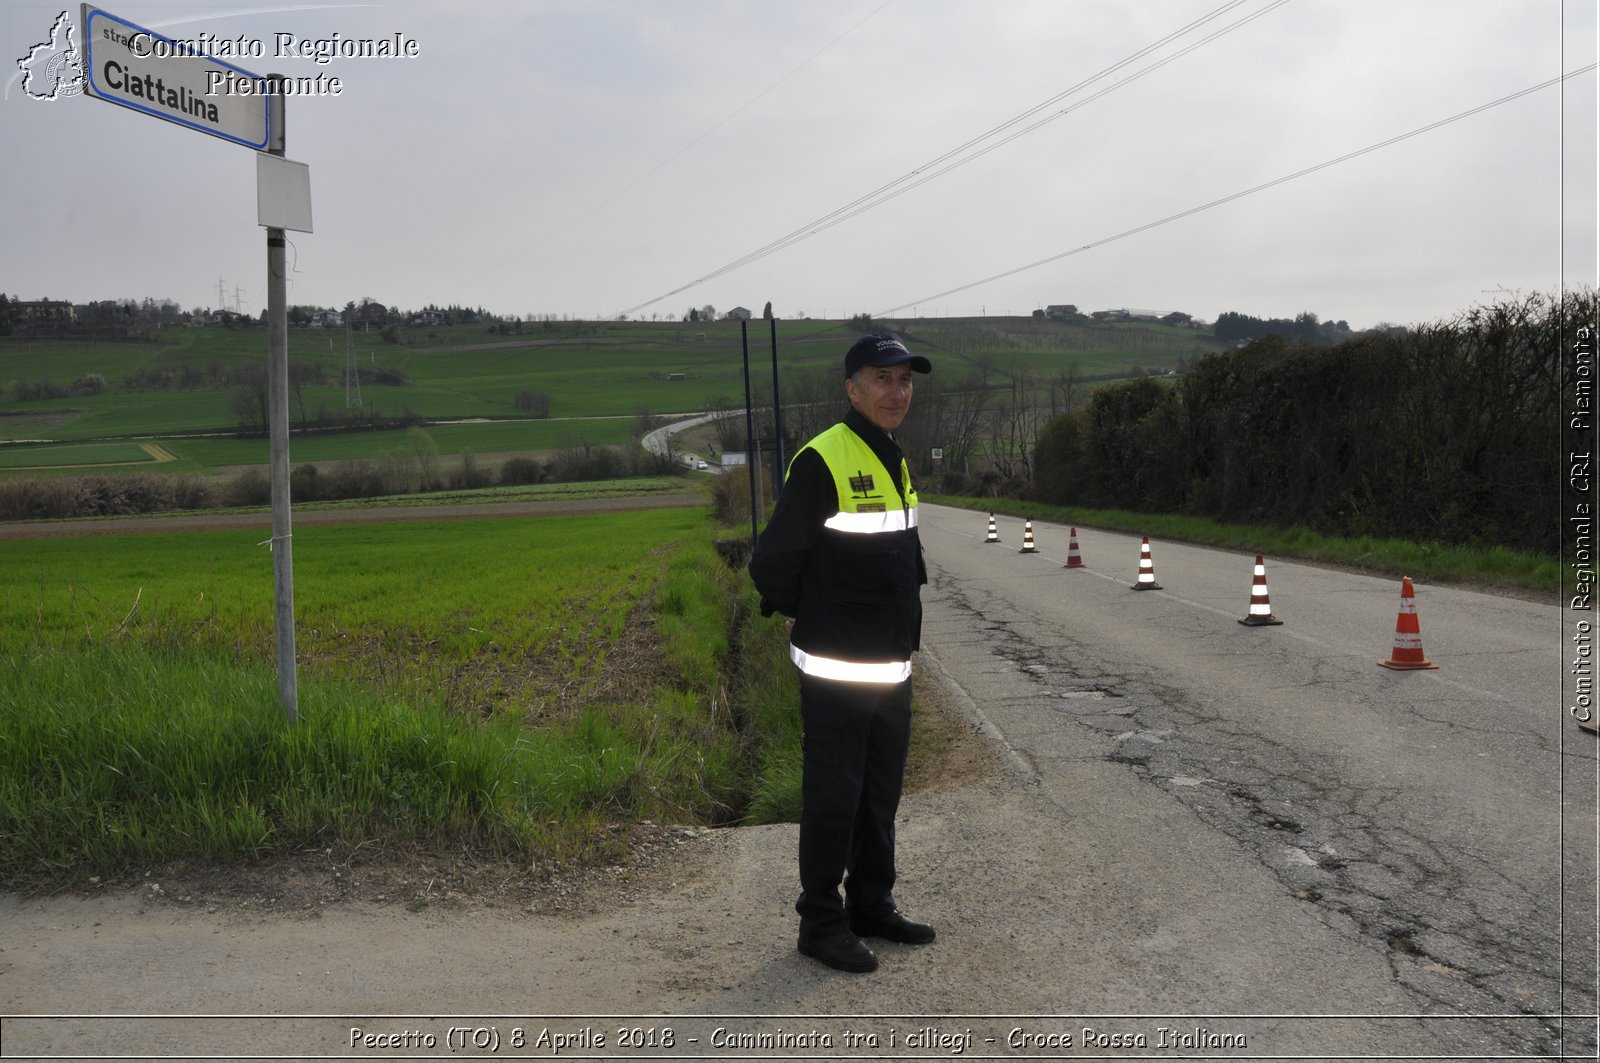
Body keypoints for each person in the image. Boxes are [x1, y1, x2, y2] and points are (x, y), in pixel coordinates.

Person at [748, 332, 935, 974]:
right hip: (836, 669)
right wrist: (801, 608)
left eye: (905, 379)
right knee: (834, 795)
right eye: (883, 379)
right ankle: (821, 923)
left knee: (879, 794)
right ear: (852, 388)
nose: (897, 391)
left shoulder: (891, 454)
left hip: (890, 665)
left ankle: (871, 905)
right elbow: (773, 560)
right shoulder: (823, 458)